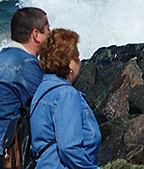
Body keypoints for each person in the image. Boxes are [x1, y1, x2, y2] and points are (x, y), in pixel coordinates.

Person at [0, 7, 50, 169]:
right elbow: (48, 105)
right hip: (2, 156)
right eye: (48, 29)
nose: (51, 34)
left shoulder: (0, 58)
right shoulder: (25, 64)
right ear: (36, 34)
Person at [30, 28, 101, 169]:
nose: (79, 63)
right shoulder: (66, 94)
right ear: (69, 63)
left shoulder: (42, 90)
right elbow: (69, 147)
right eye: (77, 57)